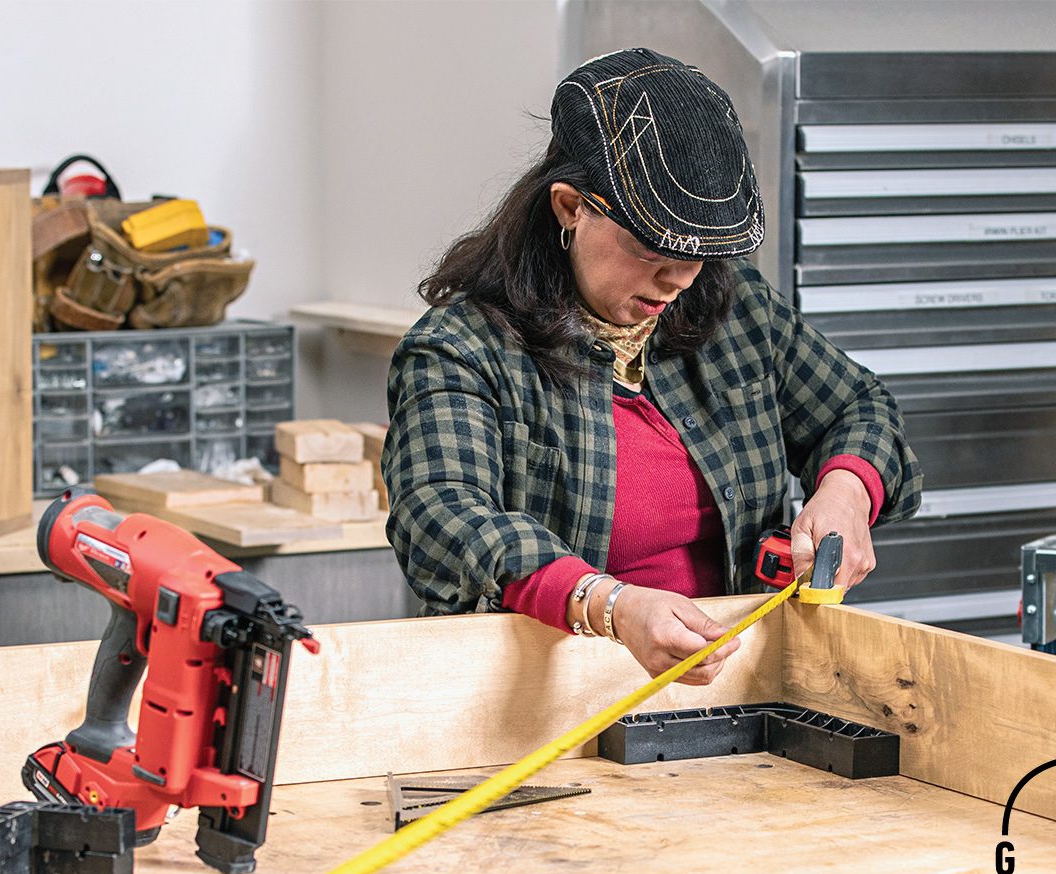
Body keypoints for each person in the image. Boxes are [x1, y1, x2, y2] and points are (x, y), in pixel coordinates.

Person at [385, 47, 920, 686]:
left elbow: (858, 406)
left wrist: (846, 493)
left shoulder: (735, 310)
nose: (678, 279)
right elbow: (442, 514)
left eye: (699, 255)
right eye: (650, 249)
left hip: (734, 689)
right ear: (569, 207)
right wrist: (612, 605)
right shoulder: (459, 350)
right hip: (539, 701)